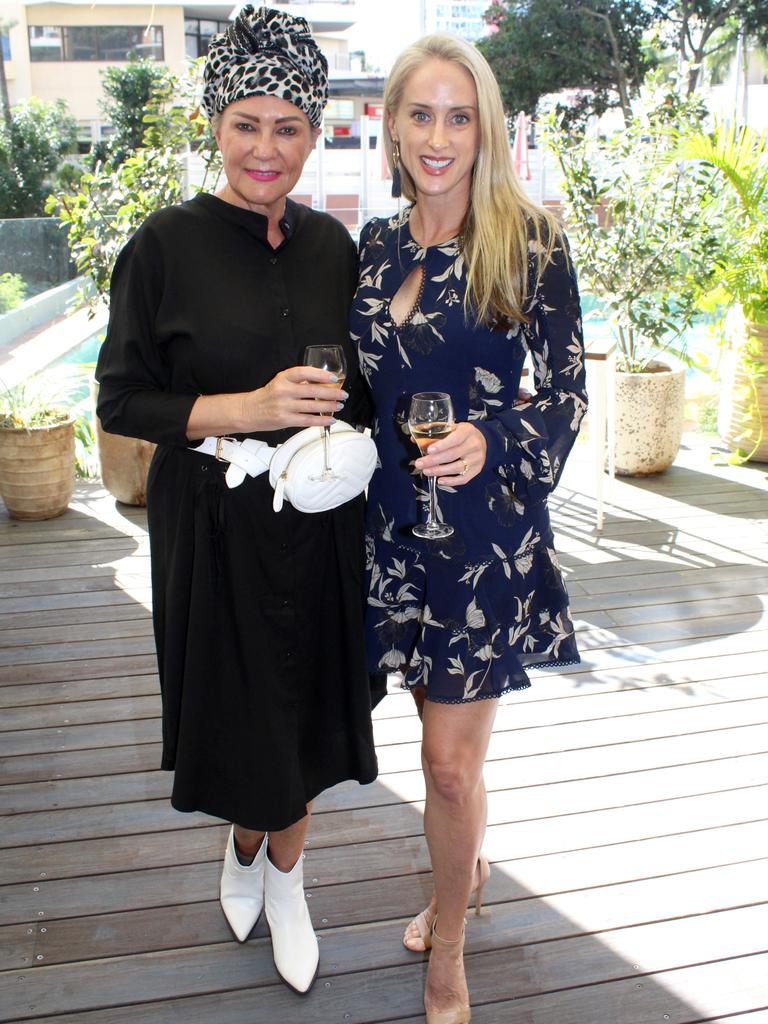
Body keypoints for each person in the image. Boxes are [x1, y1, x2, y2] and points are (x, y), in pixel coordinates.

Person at [95, 5, 377, 995]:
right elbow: (122, 399)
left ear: (316, 133)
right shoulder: (164, 246)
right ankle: (242, 843)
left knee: (306, 711)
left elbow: (368, 385)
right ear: (217, 126)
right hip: (212, 525)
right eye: (247, 123)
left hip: (322, 521)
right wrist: (247, 407)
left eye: (289, 126)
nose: (268, 147)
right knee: (244, 709)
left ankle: (289, 877)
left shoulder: (332, 247)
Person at [350, 34, 588, 1024]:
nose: (438, 137)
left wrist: (499, 437)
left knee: (447, 765)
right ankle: (468, 860)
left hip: (483, 543)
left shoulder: (528, 239)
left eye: (459, 117)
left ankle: (448, 944)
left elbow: (570, 391)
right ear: (392, 126)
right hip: (394, 533)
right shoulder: (374, 245)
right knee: (434, 743)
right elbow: (366, 390)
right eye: (421, 115)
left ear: (483, 128)